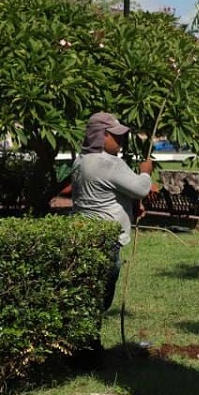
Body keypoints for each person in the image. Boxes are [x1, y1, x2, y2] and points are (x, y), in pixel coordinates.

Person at [70, 111, 154, 313]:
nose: (121, 141)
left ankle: (89, 340)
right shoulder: (109, 163)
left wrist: (130, 204)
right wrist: (145, 171)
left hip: (81, 233)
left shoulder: (80, 161)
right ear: (101, 135)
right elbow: (141, 188)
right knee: (101, 297)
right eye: (115, 135)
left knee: (86, 291)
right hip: (106, 239)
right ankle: (90, 341)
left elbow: (104, 192)